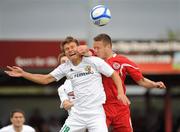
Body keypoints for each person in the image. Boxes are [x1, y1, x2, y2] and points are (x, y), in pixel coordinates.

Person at [5, 36, 130, 132]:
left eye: (72, 47)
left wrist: (120, 92)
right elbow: (45, 79)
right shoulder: (65, 67)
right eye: (67, 49)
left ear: (78, 48)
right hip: (76, 115)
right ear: (65, 53)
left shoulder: (94, 61)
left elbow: (114, 74)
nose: (70, 50)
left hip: (96, 115)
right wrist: (23, 74)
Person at [91, 33, 166, 132]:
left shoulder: (122, 61)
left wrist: (154, 84)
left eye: (98, 48)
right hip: (101, 106)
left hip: (120, 106)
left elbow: (141, 80)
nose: (95, 51)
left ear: (108, 46)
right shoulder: (93, 61)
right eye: (94, 48)